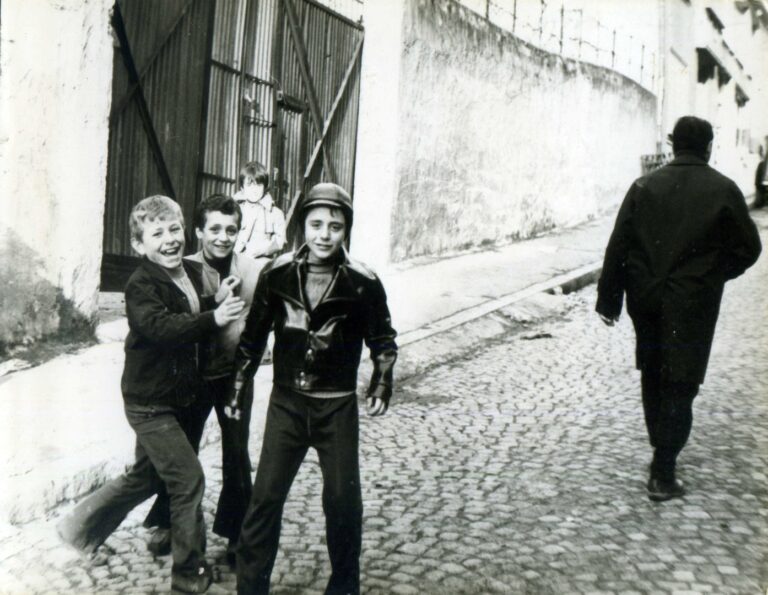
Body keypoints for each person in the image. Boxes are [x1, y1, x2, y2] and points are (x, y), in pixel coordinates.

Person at [56, 195, 245, 593]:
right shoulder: (140, 284)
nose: (170, 240)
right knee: (188, 477)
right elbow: (162, 327)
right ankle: (188, 575)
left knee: (145, 477)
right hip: (149, 404)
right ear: (139, 246)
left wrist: (216, 300)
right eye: (157, 234)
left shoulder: (188, 274)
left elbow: (190, 308)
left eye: (174, 229)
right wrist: (214, 318)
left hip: (176, 399)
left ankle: (77, 528)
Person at [225, 183, 398, 594]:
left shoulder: (363, 282)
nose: (324, 234)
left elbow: (383, 339)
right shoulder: (277, 273)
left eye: (335, 226)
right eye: (316, 224)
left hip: (336, 408)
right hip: (286, 405)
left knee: (342, 501)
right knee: (264, 499)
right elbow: (252, 339)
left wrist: (382, 379)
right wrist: (236, 388)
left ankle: (344, 585)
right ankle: (250, 587)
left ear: (346, 230)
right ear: (302, 225)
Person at [596, 116, 761, 502]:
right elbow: (749, 249)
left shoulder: (644, 186)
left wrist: (610, 299)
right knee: (682, 380)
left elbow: (618, 245)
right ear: (708, 147)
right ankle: (663, 469)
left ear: (673, 145)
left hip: (647, 296)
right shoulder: (723, 190)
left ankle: (661, 451)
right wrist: (710, 275)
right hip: (693, 302)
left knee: (653, 372)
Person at [142, 194, 264, 565]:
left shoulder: (254, 272)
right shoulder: (184, 269)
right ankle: (165, 521)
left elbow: (260, 327)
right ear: (198, 231)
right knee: (184, 450)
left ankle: (236, 534)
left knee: (236, 454)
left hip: (234, 376)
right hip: (192, 377)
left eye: (231, 230)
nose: (222, 237)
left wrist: (248, 369)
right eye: (214, 229)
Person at [234, 161, 286, 264]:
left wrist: (260, 249)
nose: (254, 190)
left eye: (258, 185)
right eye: (249, 185)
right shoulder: (235, 209)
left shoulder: (276, 213)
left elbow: (280, 242)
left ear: (265, 187)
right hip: (235, 261)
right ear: (242, 188)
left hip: (262, 264)